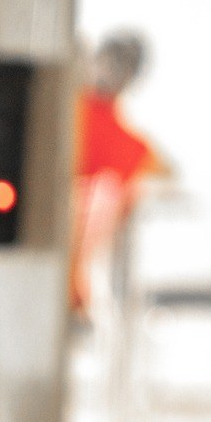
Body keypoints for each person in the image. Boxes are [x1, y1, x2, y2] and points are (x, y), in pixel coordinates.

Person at [69, 30, 164, 314]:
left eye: (121, 66)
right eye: (109, 59)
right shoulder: (56, 104)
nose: (109, 71)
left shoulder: (131, 148)